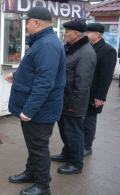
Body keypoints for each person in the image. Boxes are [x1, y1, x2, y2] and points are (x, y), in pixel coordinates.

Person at [5, 6, 66, 195]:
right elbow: (36, 70)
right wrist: (17, 75)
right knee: (34, 145)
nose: (26, 26)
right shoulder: (43, 42)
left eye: (28, 22)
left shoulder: (47, 45)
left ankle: (42, 185)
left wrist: (29, 110)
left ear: (36, 22)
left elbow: (44, 82)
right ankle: (31, 173)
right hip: (38, 109)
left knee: (39, 147)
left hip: (40, 111)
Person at [51, 20, 96, 175]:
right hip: (64, 99)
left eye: (67, 31)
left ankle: (76, 164)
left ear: (76, 34)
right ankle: (67, 153)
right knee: (65, 130)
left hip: (74, 102)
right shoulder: (71, 49)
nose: (65, 34)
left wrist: (75, 105)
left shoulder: (86, 52)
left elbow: (83, 84)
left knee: (74, 133)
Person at [83, 23, 117, 156]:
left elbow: (106, 76)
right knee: (81, 121)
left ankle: (87, 146)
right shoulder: (87, 47)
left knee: (90, 120)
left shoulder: (107, 50)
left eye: (88, 32)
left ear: (97, 34)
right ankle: (79, 144)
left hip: (94, 94)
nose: (85, 35)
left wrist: (100, 96)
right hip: (84, 92)